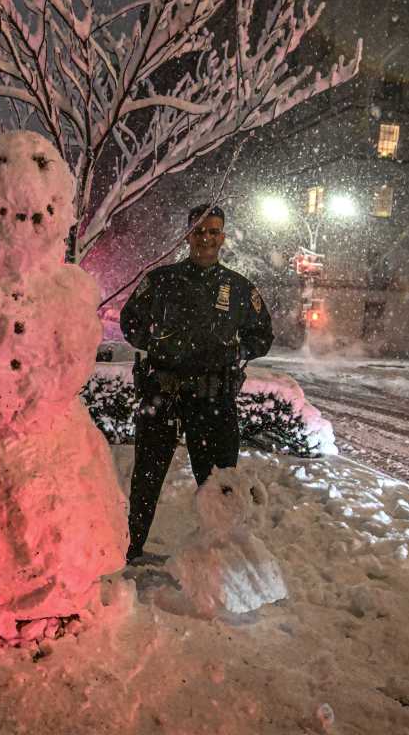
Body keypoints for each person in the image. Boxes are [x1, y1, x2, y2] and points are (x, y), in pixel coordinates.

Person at [120, 203, 273, 564]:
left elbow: (262, 335)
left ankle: (215, 555)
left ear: (223, 237)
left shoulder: (237, 287)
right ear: (188, 235)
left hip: (212, 398)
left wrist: (235, 352)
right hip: (163, 394)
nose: (206, 238)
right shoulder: (161, 281)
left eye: (213, 231)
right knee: (146, 478)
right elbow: (130, 322)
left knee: (220, 484)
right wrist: (157, 344)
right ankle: (129, 550)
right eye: (200, 231)